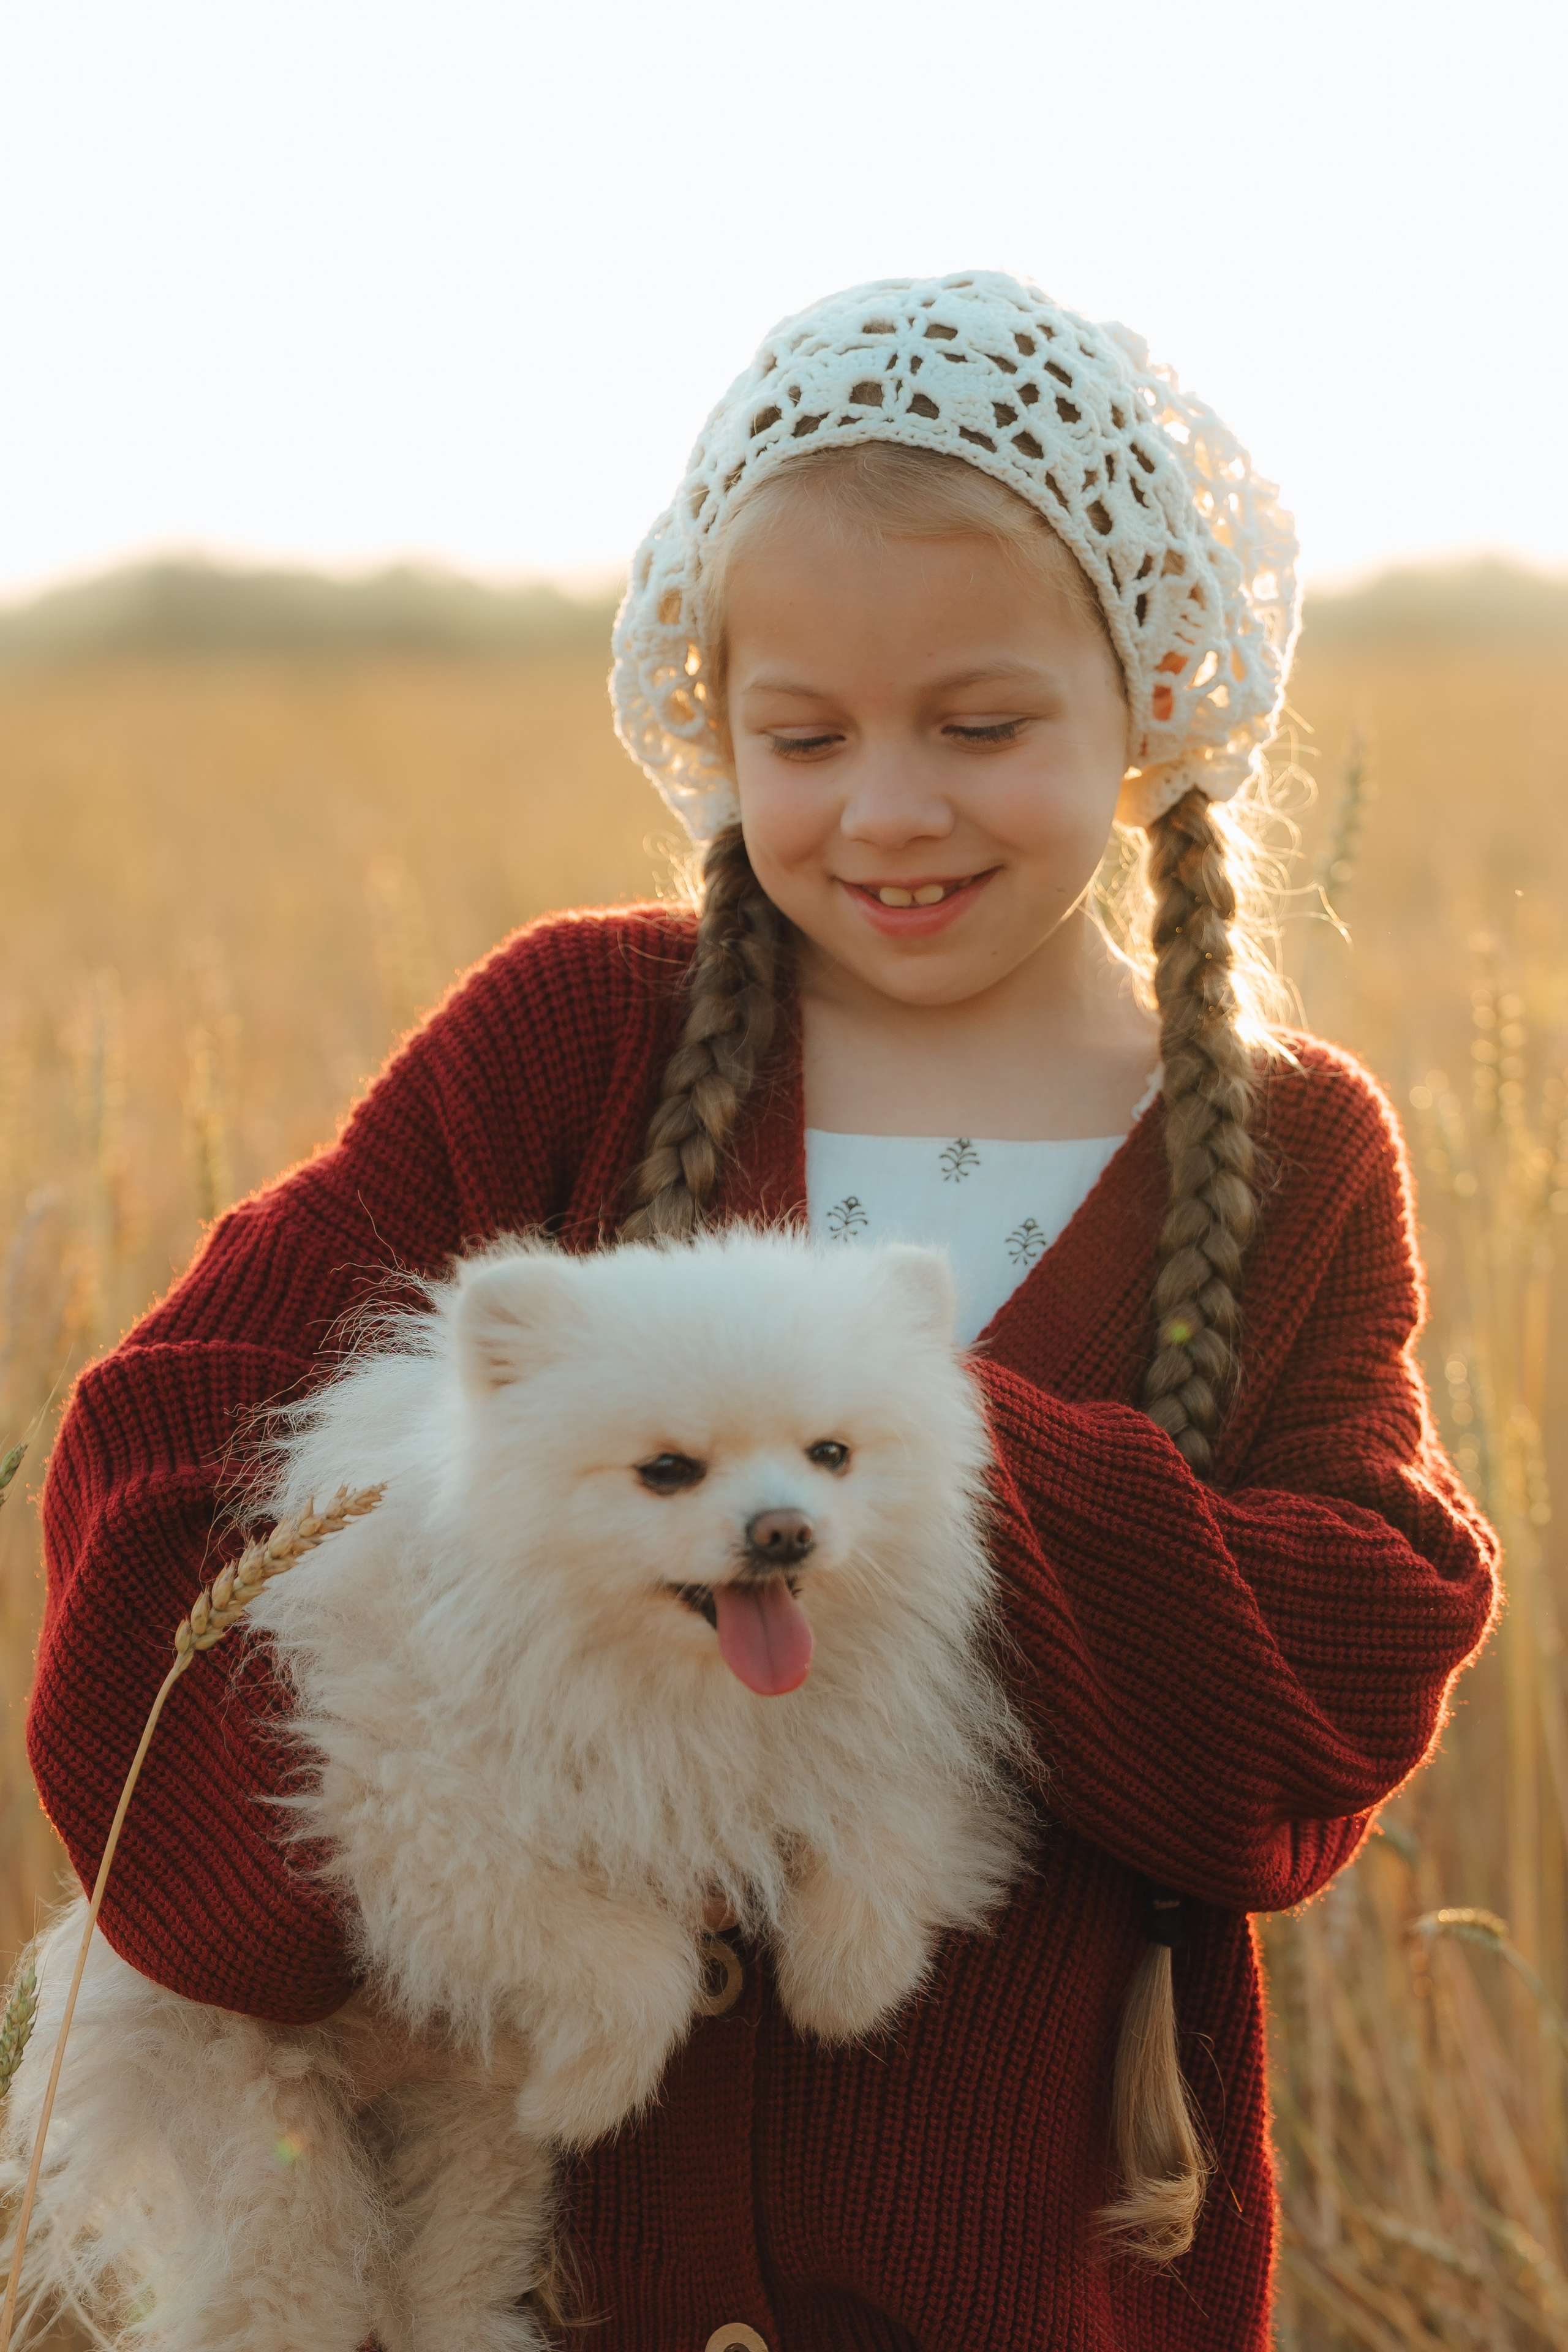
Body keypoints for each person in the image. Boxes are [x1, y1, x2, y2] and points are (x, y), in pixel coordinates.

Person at [28, 271, 1496, 2351]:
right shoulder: (569, 1040)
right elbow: (168, 1447)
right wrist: (409, 1854)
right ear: (710, 724)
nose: (887, 808)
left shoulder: (1286, 1153)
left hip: (1024, 2245)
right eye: (799, 738)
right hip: (542, 2259)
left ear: (1156, 688)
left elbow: (1342, 1662)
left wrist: (932, 1458)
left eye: (979, 728)